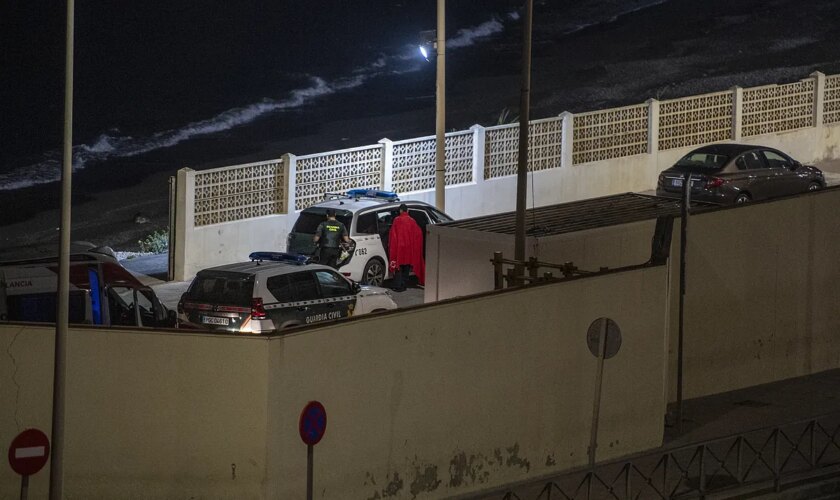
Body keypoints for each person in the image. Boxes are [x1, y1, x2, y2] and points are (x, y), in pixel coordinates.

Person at [387, 204, 425, 292]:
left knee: (398, 266)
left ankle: (398, 285)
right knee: (407, 266)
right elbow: (418, 233)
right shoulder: (412, 221)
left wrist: (392, 246)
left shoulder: (396, 220)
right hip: (408, 248)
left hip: (399, 248)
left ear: (400, 211)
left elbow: (393, 235)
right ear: (407, 211)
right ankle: (404, 284)